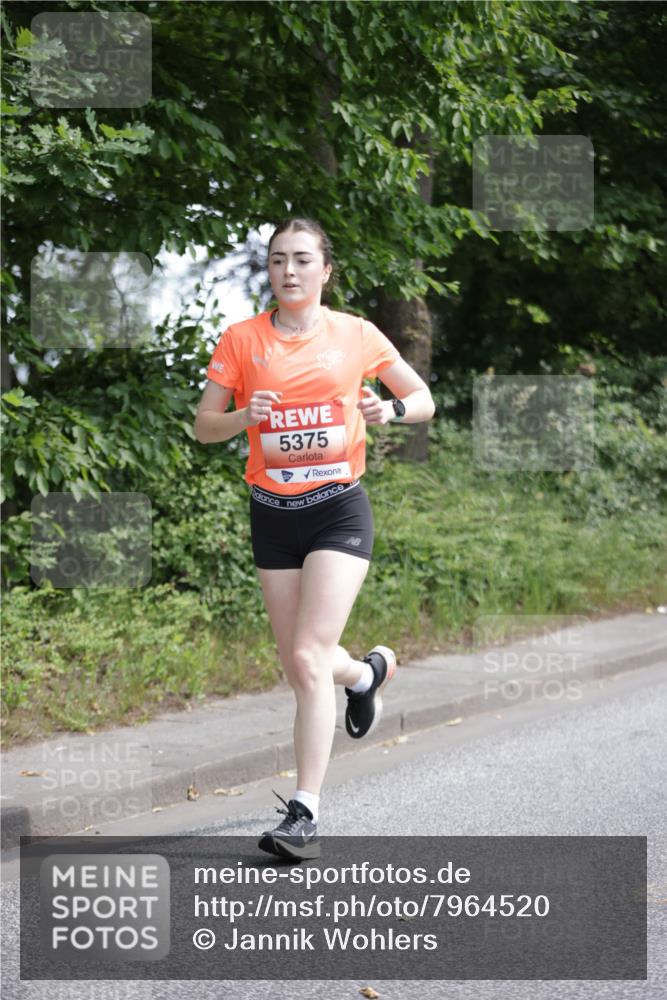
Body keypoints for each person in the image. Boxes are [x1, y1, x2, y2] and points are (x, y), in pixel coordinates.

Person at [194, 217, 435, 861]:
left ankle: (305, 812)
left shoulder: (355, 334)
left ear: (325, 271)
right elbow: (203, 427)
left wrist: (393, 409)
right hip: (272, 514)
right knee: (302, 664)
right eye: (277, 261)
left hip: (337, 511)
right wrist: (245, 415)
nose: (289, 271)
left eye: (302, 259)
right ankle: (363, 675)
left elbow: (424, 397)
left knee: (305, 656)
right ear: (269, 272)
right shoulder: (243, 340)